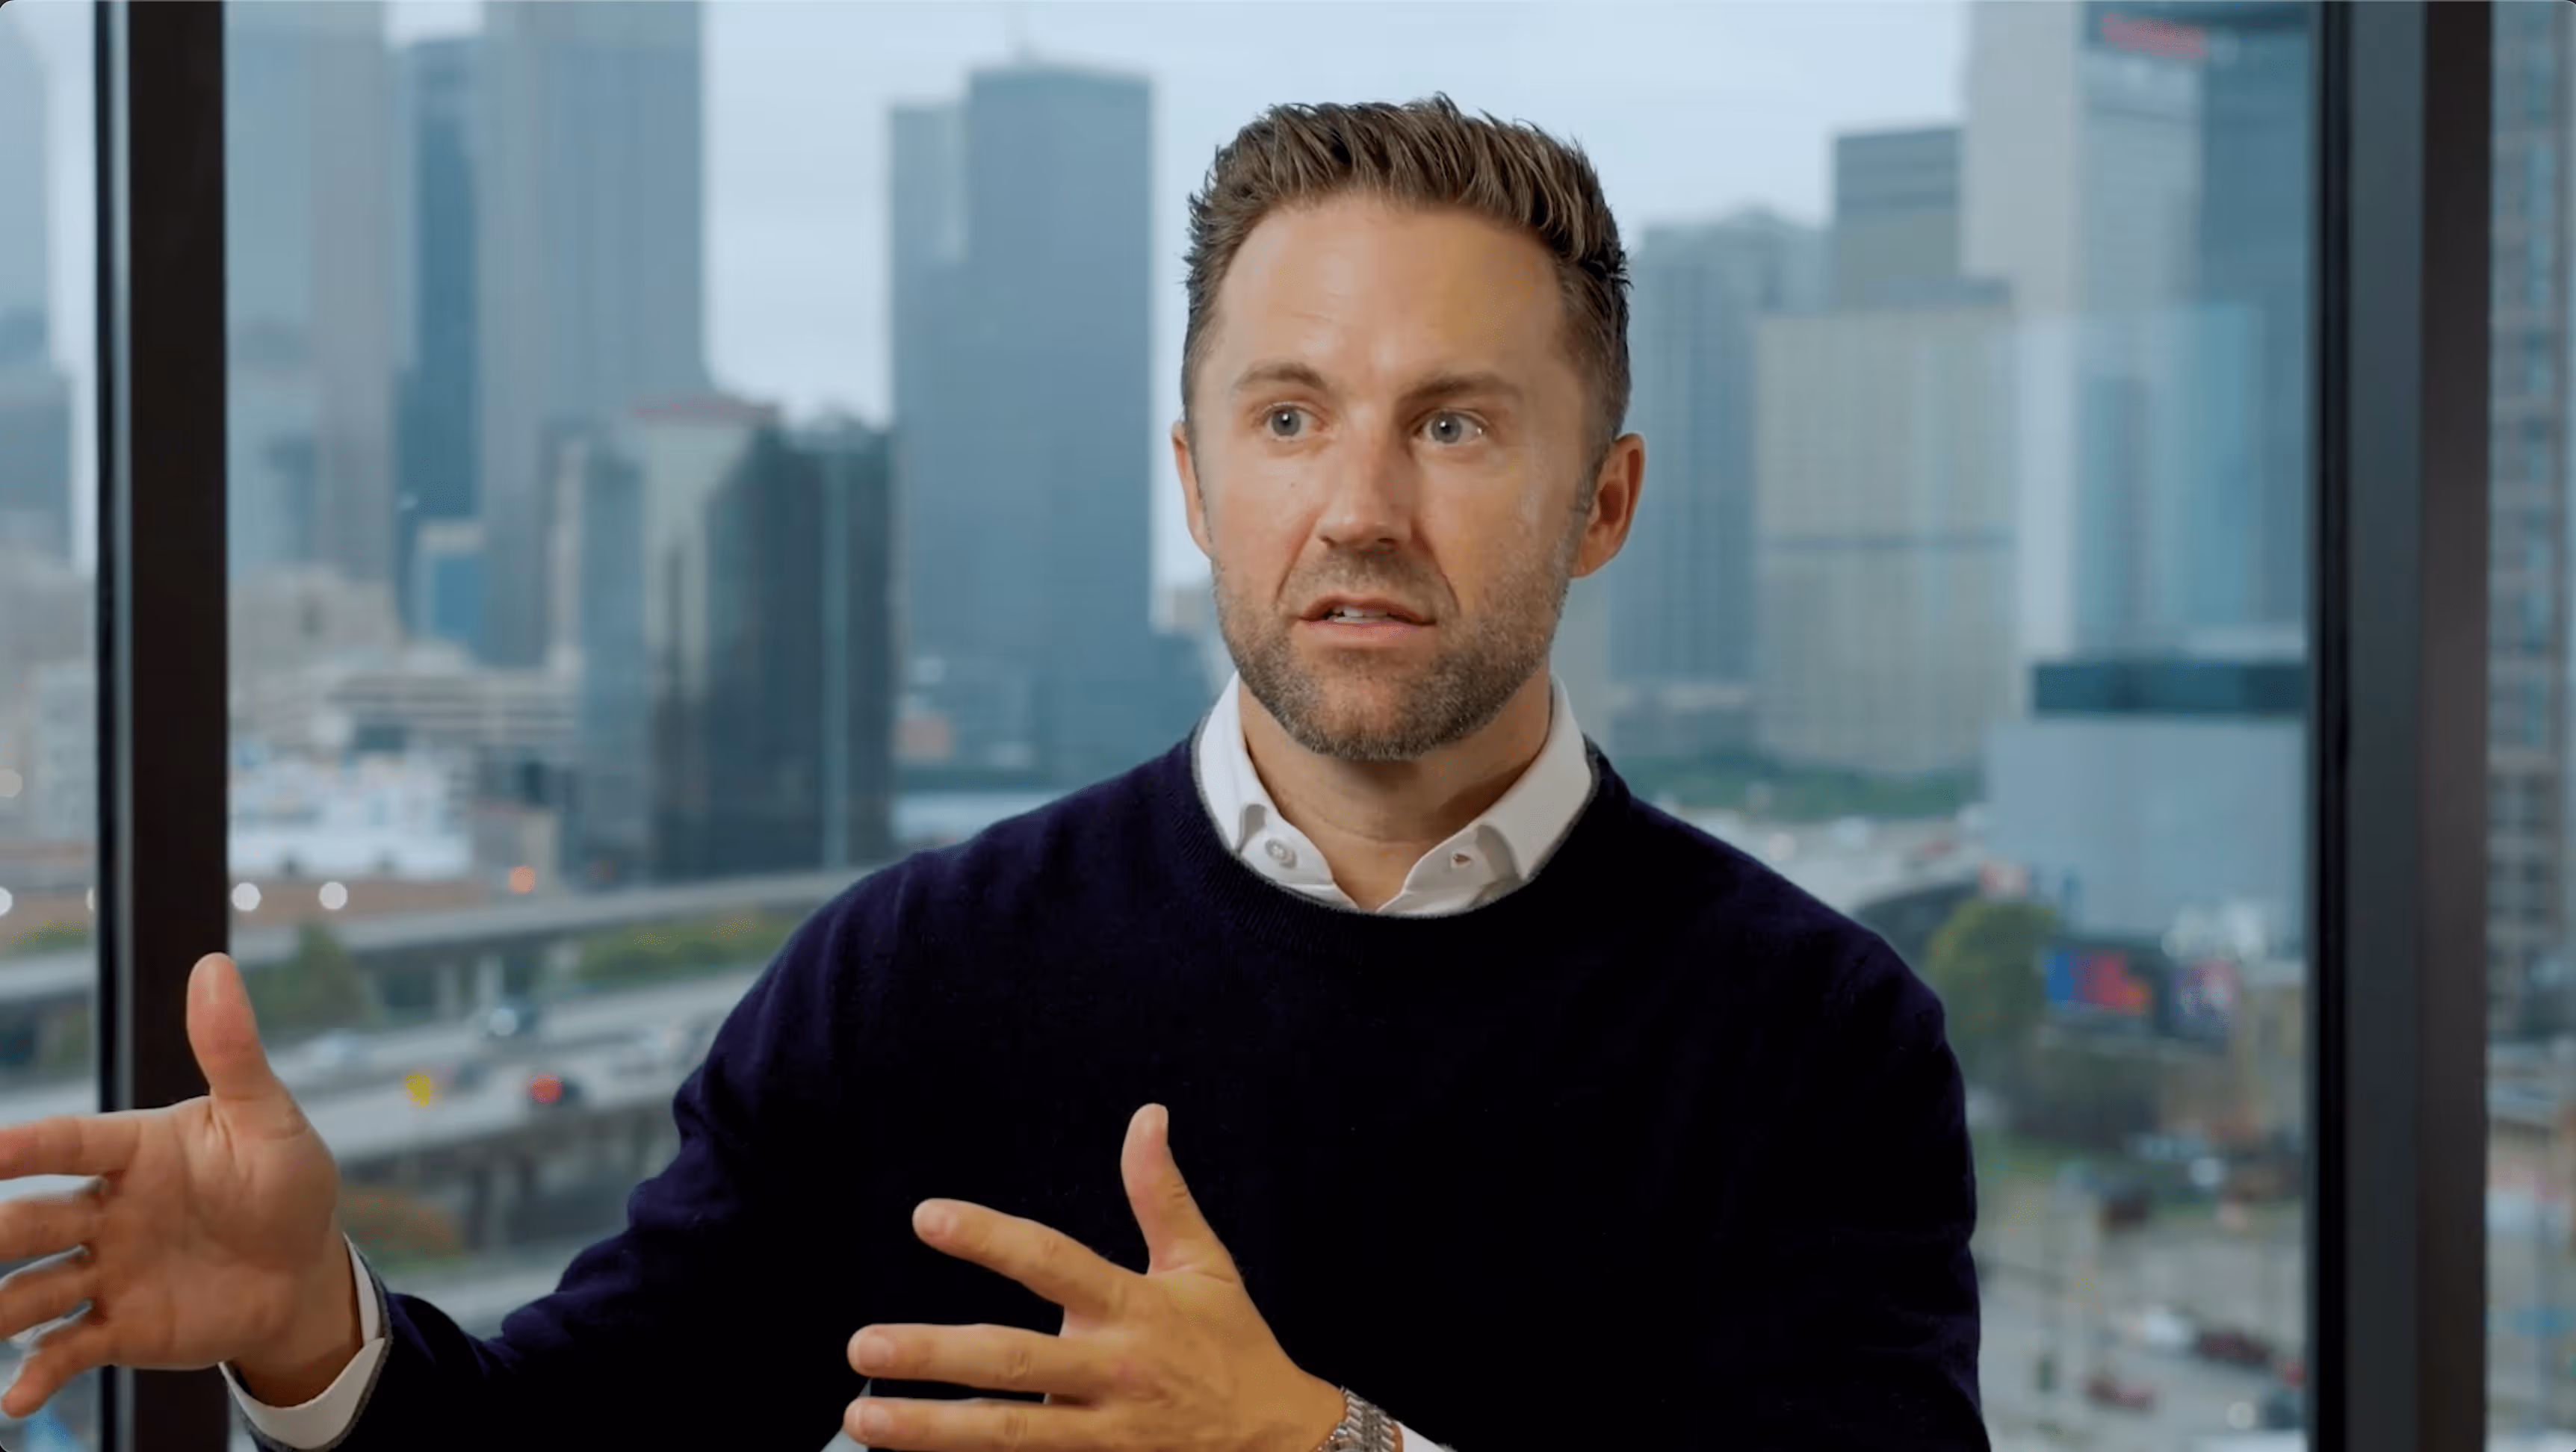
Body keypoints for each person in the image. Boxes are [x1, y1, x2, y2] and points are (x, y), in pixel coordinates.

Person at [0, 96, 1984, 1451]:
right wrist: (308, 1330)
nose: (1361, 508)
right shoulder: (911, 974)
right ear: (1197, 480)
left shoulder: (1817, 1039)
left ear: (1607, 501)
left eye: (1456, 426)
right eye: (1289, 417)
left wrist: (1324, 1447)